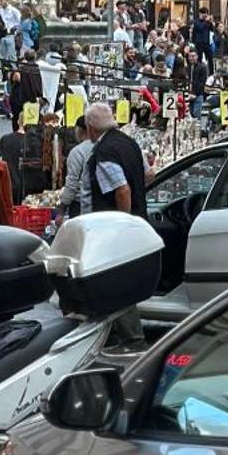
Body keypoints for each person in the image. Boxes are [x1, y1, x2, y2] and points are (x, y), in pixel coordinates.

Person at [85, 101, 147, 347]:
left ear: (91, 128)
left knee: (115, 282)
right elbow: (147, 173)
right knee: (113, 281)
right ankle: (111, 334)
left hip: (114, 227)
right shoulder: (129, 143)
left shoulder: (105, 152)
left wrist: (123, 223)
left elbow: (122, 190)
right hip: (136, 221)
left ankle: (132, 336)